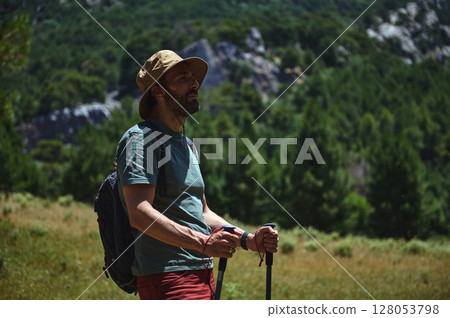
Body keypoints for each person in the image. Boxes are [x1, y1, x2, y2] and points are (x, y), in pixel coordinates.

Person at [115, 50, 279, 300]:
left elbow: (203, 214)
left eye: (193, 78)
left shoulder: (187, 145)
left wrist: (249, 240)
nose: (195, 84)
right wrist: (203, 243)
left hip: (202, 273)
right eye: (182, 79)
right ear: (158, 91)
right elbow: (139, 213)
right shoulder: (142, 140)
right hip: (167, 277)